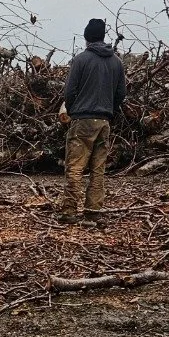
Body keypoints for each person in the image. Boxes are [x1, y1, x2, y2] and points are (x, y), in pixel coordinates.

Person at [59, 18, 126, 224]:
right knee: (98, 168)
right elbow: (121, 94)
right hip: (104, 121)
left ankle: (70, 211)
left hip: (83, 119)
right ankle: (93, 211)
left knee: (75, 166)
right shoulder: (116, 62)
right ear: (103, 35)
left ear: (87, 36)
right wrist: (109, 111)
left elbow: (69, 91)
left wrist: (72, 110)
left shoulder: (81, 60)